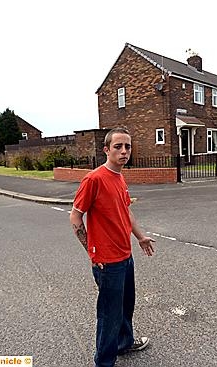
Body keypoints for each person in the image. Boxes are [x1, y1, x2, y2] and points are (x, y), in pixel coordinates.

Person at [69, 127, 155, 367]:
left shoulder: (119, 176)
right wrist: (91, 251)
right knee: (109, 314)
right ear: (106, 150)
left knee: (126, 305)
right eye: (118, 146)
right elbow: (75, 217)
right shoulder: (94, 179)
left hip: (125, 256)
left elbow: (125, 210)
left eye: (127, 146)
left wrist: (140, 237)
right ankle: (104, 361)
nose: (124, 151)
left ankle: (124, 342)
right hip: (107, 261)